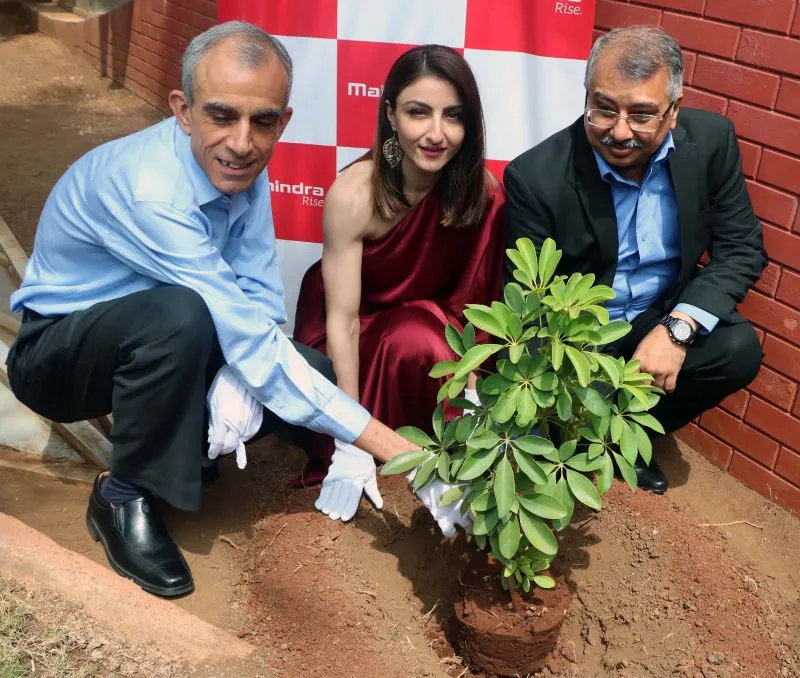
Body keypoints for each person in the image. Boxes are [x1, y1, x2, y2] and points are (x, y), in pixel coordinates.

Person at [6, 22, 463, 599]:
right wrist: (397, 451)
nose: (243, 142)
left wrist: (237, 376)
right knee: (183, 316)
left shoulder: (241, 169)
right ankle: (122, 496)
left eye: (263, 121)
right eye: (221, 115)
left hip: (160, 339)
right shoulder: (151, 188)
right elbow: (227, 320)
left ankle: (177, 445)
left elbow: (257, 299)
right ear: (182, 109)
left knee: (310, 369)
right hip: (60, 357)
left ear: (284, 120)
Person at [504, 25, 767, 494]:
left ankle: (625, 440)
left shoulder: (711, 143)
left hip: (657, 315)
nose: (620, 131)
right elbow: (525, 303)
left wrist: (678, 328)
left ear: (674, 111)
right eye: (604, 109)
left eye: (642, 114)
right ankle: (581, 441)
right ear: (587, 94)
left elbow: (743, 247)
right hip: (579, 333)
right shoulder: (536, 177)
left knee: (738, 350)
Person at [292, 45, 505, 517]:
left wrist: (471, 391)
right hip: (348, 334)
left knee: (421, 336)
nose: (436, 133)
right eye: (417, 112)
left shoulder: (484, 194)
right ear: (390, 114)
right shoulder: (354, 194)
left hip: (423, 334)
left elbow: (472, 307)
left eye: (453, 116)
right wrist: (349, 433)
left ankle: (438, 450)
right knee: (416, 337)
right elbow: (343, 320)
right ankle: (376, 445)